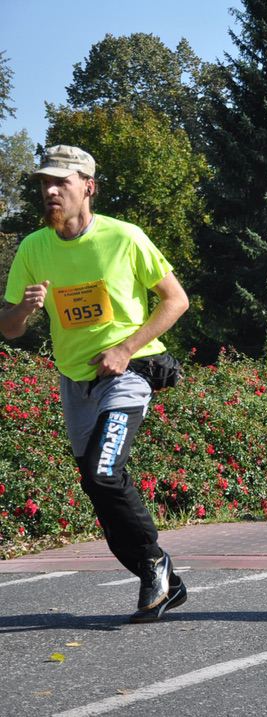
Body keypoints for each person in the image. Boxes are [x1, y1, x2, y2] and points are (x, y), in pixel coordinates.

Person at [0, 145, 190, 622]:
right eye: (45, 183)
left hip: (128, 372)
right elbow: (9, 328)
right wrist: (23, 309)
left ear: (88, 187)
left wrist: (125, 348)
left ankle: (153, 566)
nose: (50, 191)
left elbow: (176, 300)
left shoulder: (124, 237)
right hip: (75, 381)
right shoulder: (34, 247)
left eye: (60, 182)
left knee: (103, 471)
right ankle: (160, 573)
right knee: (94, 481)